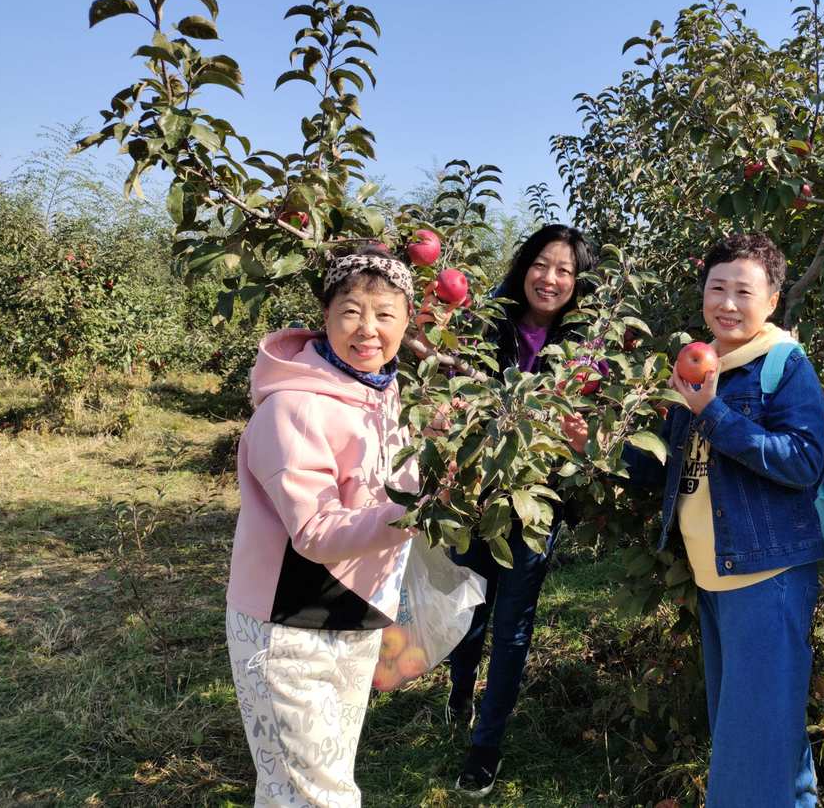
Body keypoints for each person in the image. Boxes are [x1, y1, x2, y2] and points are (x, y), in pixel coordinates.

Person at [568, 232, 824, 807]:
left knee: (747, 739)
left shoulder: (783, 365)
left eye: (744, 291)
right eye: (717, 288)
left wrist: (712, 413)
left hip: (768, 573)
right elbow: (662, 466)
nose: (728, 303)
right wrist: (599, 447)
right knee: (766, 729)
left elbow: (804, 460)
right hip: (716, 573)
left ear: (773, 301)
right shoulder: (698, 365)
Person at [226, 248, 420, 808]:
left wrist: (444, 461)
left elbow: (391, 482)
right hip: (290, 622)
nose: (368, 329)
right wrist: (420, 509)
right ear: (326, 316)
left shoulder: (382, 392)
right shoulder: (294, 407)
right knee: (324, 793)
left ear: (407, 320)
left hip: (354, 611)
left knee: (299, 783)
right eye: (351, 311)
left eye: (385, 314)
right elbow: (314, 529)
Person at [446, 223, 597, 798]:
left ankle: (486, 745)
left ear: (579, 283)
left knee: (513, 625)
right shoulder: (485, 325)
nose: (551, 278)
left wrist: (583, 440)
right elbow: (448, 393)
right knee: (470, 608)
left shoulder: (588, 349)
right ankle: (461, 689)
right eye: (542, 263)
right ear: (523, 266)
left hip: (534, 509)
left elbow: (596, 432)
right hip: (475, 496)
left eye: (565, 270)